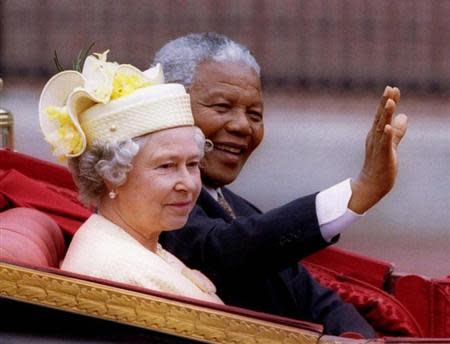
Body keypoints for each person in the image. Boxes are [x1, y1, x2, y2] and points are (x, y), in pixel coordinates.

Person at [155, 33, 408, 336]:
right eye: (222, 107)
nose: (242, 126)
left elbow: (316, 301)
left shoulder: (238, 208)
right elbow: (226, 250)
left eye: (255, 115)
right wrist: (360, 191)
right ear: (167, 105)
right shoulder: (152, 199)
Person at [39, 50, 222, 304]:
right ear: (111, 174)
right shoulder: (122, 274)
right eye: (166, 166)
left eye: (192, 164)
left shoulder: (137, 242)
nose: (189, 184)